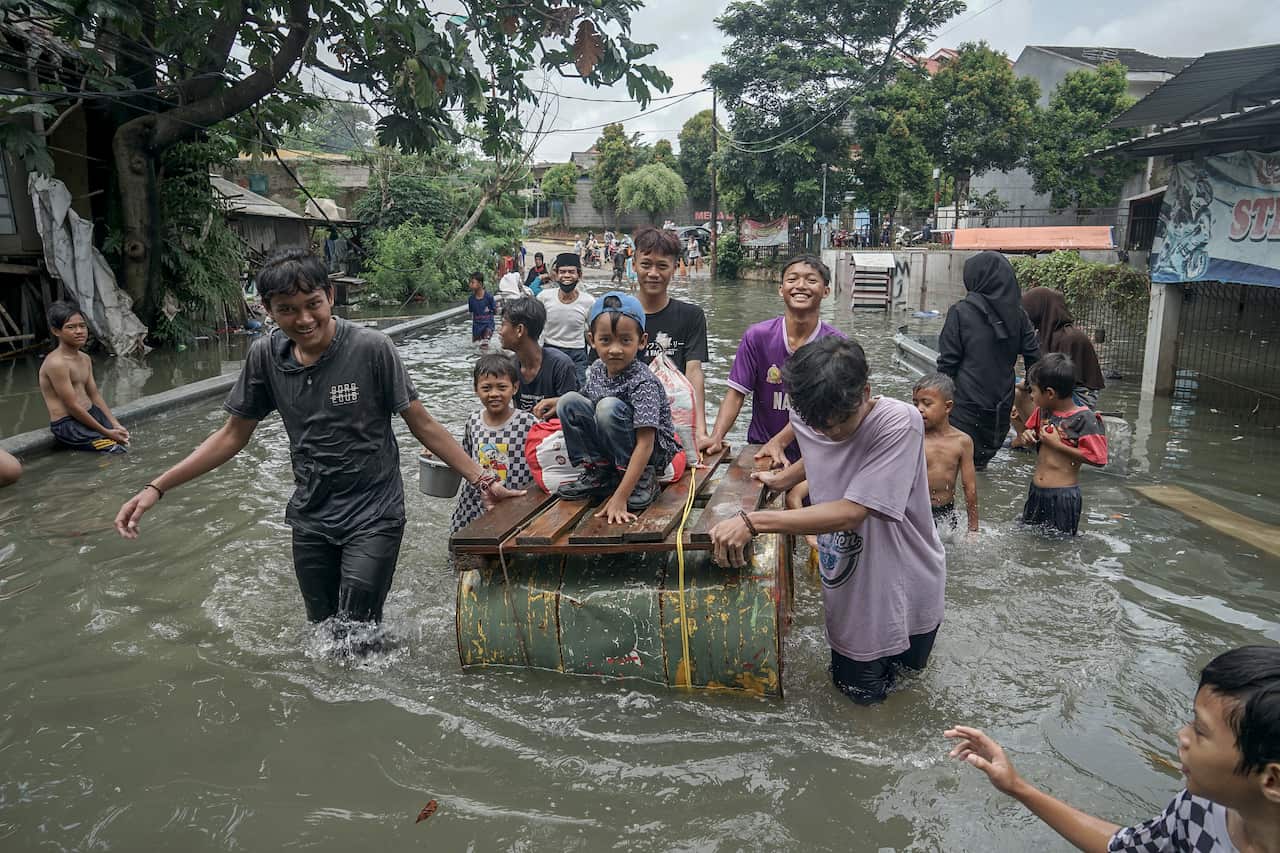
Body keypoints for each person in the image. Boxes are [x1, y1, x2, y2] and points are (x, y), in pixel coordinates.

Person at [113, 248, 523, 627]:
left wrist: (482, 479)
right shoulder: (264, 357)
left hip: (375, 511)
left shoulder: (371, 348)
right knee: (322, 627)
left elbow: (422, 423)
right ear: (268, 310)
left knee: (358, 629)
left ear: (329, 295)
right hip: (311, 513)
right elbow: (230, 437)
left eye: (313, 305)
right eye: (287, 310)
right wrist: (157, 487)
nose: (304, 319)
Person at [708, 337, 946, 705]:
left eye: (841, 422)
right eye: (818, 425)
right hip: (856, 591)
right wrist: (785, 479)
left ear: (865, 392)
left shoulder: (900, 421)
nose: (829, 432)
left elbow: (853, 511)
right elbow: (826, 450)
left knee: (907, 694)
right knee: (857, 701)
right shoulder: (810, 411)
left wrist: (754, 521)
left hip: (909, 579)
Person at [945, 645, 1280, 853]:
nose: (1182, 736)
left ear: (1271, 780)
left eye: (1201, 732)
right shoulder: (1199, 808)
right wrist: (1016, 786)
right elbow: (1125, 846)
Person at [701, 255, 843, 463]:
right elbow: (736, 394)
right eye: (792, 279)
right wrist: (716, 436)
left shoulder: (837, 345)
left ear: (826, 291)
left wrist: (781, 441)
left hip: (815, 456)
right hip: (762, 450)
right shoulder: (758, 337)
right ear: (781, 289)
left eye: (811, 280)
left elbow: (835, 411)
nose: (801, 286)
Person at [555, 292, 681, 522]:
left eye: (625, 340)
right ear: (591, 340)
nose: (614, 349)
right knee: (568, 402)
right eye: (605, 340)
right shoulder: (597, 369)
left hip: (649, 454)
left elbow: (646, 443)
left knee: (607, 408)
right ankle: (599, 471)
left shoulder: (644, 382)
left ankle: (643, 479)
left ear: (641, 341)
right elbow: (584, 401)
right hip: (614, 444)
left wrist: (620, 497)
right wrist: (555, 403)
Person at [936, 251, 1040, 470]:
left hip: (964, 407)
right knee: (979, 466)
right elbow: (1034, 357)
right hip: (1000, 410)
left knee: (955, 468)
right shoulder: (1019, 315)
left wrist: (936, 407)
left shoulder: (960, 312)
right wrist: (1030, 390)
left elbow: (947, 365)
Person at [1012, 353, 1108, 536]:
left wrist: (1058, 445)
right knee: (1030, 539)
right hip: (1037, 492)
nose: (1030, 396)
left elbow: (1099, 459)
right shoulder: (1043, 412)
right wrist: (1027, 436)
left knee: (1059, 546)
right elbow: (1031, 435)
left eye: (1033, 391)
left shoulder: (1085, 419)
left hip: (1063, 496)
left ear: (1049, 393)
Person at [631, 225, 710, 444]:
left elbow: (694, 372)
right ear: (634, 265)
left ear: (674, 268)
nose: (653, 273)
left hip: (674, 414)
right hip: (627, 413)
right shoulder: (619, 314)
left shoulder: (691, 315)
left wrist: (700, 430)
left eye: (662, 266)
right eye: (646, 264)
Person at [450, 354, 539, 532]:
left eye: (501, 387)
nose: (494, 394)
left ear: (514, 388)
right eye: (486, 388)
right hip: (475, 503)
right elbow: (465, 457)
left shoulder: (528, 422)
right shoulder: (474, 421)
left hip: (514, 499)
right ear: (476, 389)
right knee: (467, 546)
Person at [39, 301, 129, 454]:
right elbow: (72, 406)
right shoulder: (56, 363)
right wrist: (108, 433)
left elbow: (94, 395)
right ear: (56, 331)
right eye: (71, 327)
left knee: (126, 440)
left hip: (91, 413)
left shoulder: (85, 358)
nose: (79, 331)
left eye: (82, 326)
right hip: (69, 424)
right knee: (115, 451)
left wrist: (115, 424)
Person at [1015, 286, 1106, 425]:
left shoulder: (1071, 338)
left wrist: (1028, 386)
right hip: (1051, 389)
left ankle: (1040, 434)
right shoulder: (1044, 335)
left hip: (1074, 396)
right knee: (1012, 385)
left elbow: (1058, 382)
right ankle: (1026, 436)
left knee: (1019, 393)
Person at [913, 373, 979, 537]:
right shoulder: (912, 436)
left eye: (927, 404)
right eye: (916, 403)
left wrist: (973, 529)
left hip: (946, 513)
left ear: (947, 407)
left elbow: (969, 487)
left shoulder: (962, 441)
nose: (919, 409)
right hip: (916, 512)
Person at [497, 296, 579, 418]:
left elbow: (574, 413)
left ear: (519, 330)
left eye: (503, 324)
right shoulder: (511, 367)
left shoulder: (560, 366)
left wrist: (561, 402)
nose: (500, 331)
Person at [539, 252, 593, 385]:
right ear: (556, 275)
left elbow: (593, 332)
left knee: (578, 392)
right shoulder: (544, 297)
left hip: (577, 354)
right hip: (550, 350)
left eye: (571, 272)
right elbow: (536, 328)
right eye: (562, 272)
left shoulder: (589, 301)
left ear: (579, 275)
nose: (567, 276)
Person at [467, 272, 497, 346]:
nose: (470, 284)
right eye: (470, 282)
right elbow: (472, 312)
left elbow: (494, 311)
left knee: (484, 343)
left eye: (472, 282)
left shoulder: (489, 297)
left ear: (480, 284)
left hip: (488, 325)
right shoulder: (471, 299)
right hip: (477, 326)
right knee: (476, 345)